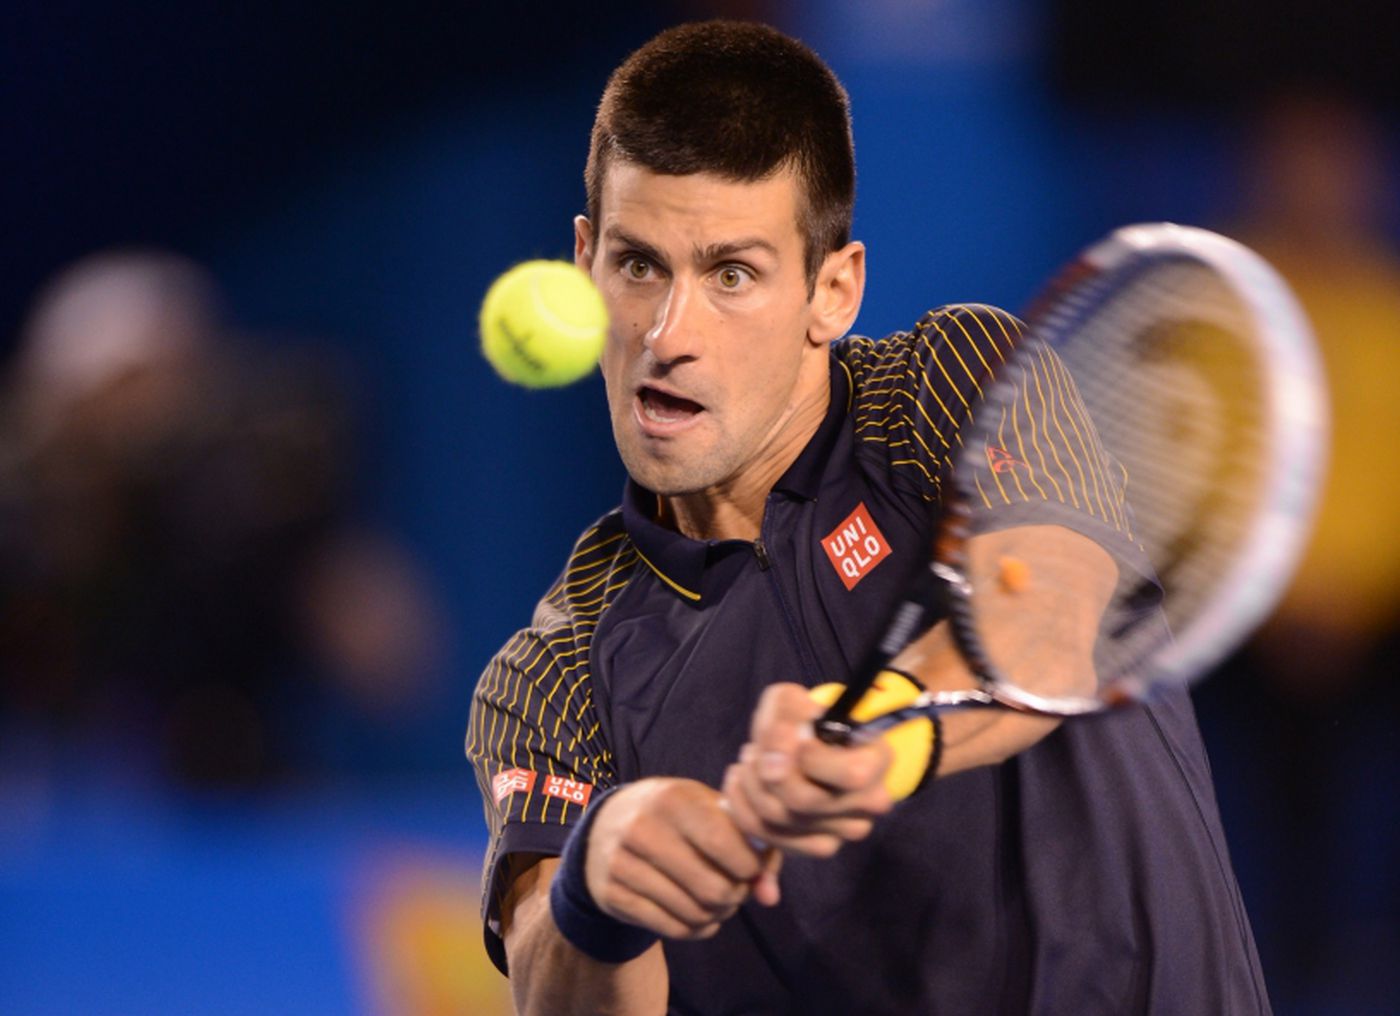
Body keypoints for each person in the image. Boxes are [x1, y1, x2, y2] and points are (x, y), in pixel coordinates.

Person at [466, 20, 1269, 1015]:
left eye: (730, 274)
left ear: (832, 289)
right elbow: (555, 981)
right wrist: (597, 883)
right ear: (584, 262)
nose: (668, 335)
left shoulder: (951, 381)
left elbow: (1049, 619)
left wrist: (883, 733)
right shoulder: (553, 667)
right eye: (637, 265)